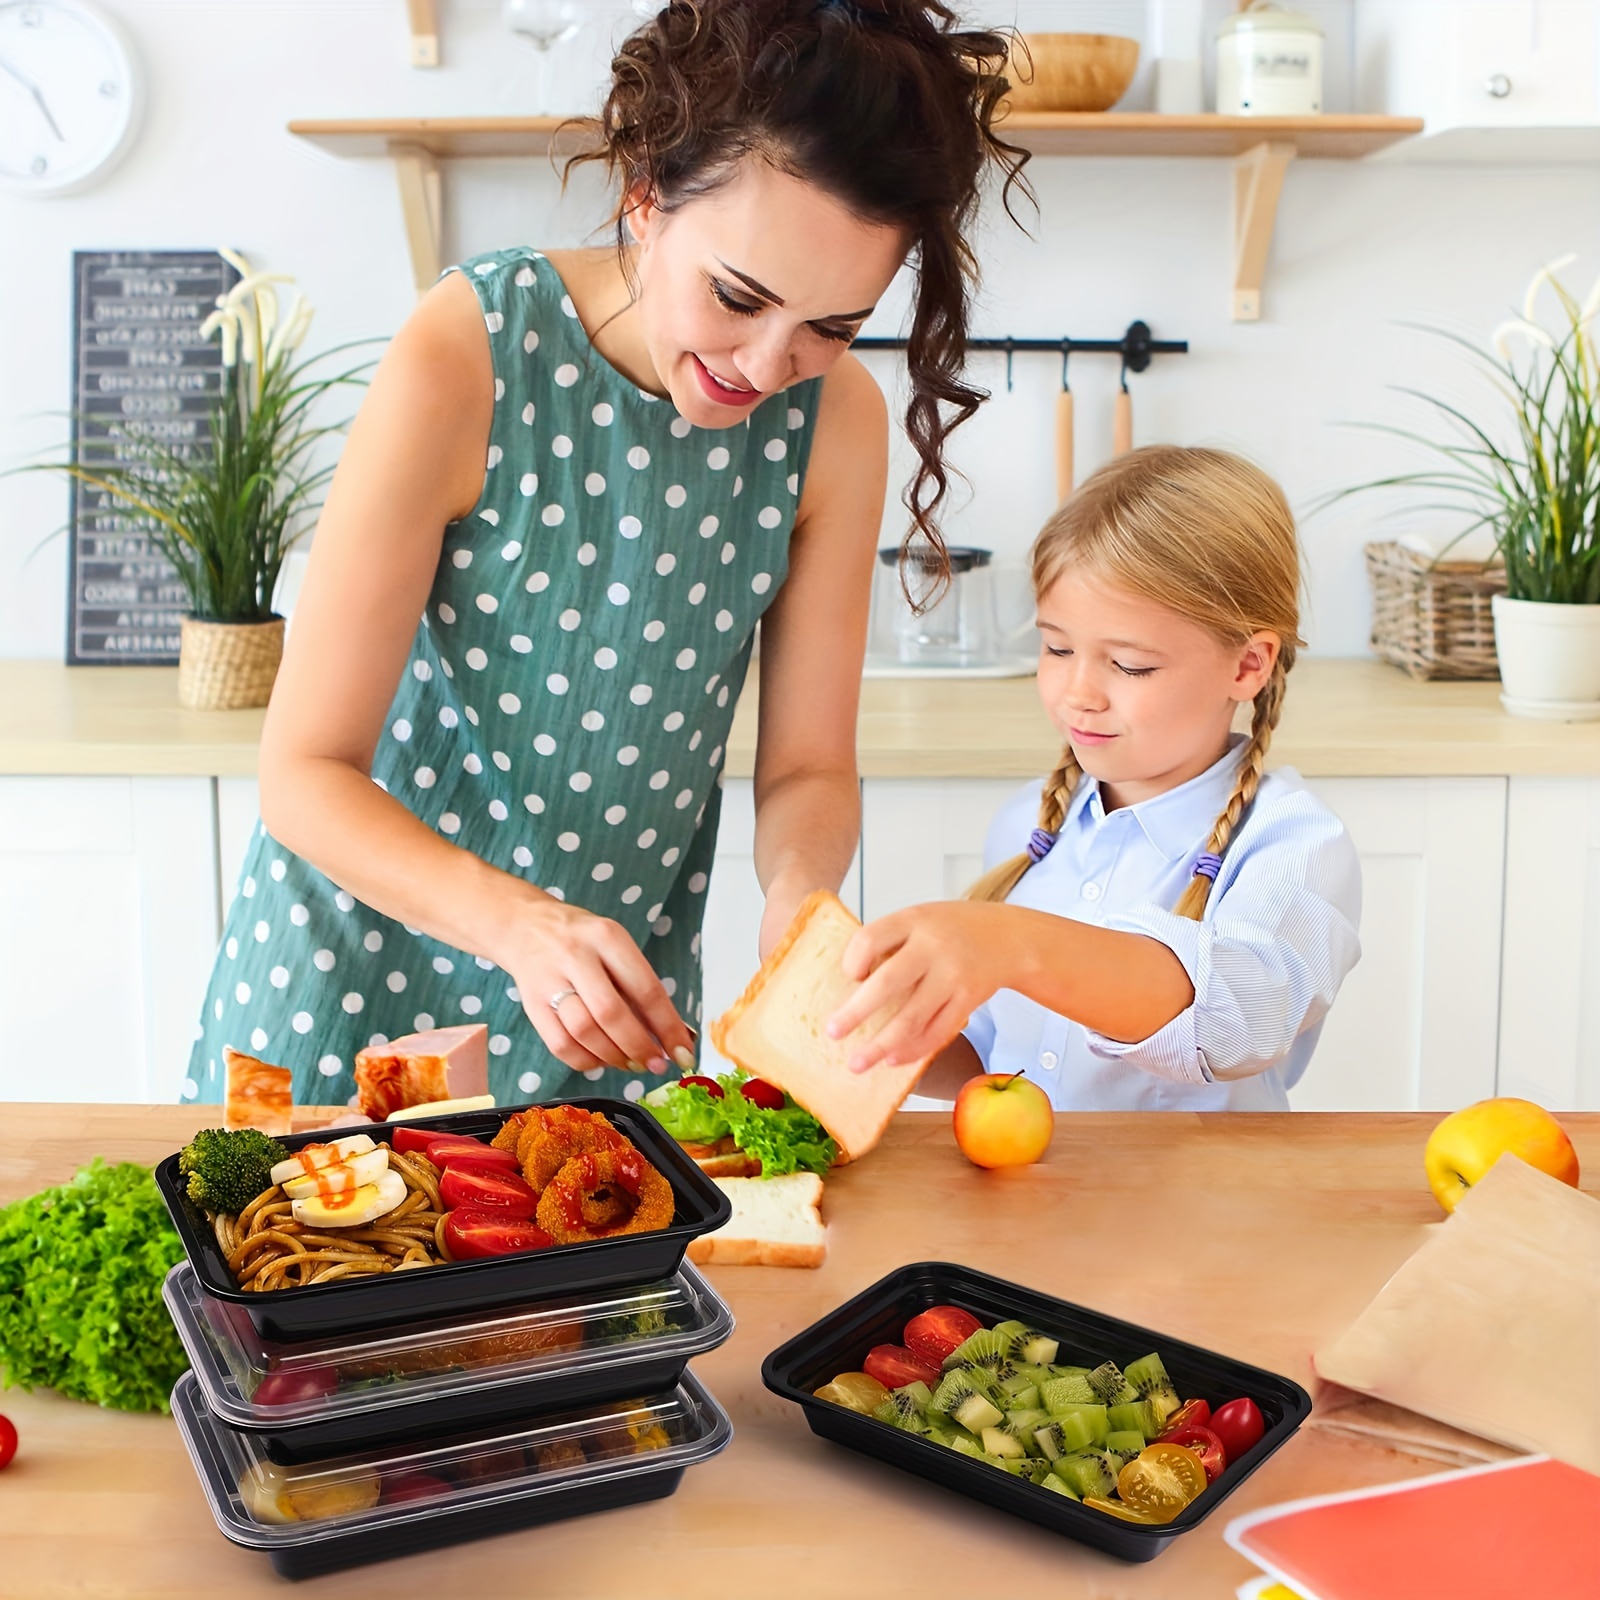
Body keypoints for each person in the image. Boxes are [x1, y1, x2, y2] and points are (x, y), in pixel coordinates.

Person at [183, 0, 1027, 1110]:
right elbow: (304, 774)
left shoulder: (835, 423)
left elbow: (807, 768)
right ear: (644, 200)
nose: (770, 362)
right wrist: (524, 929)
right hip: (347, 982)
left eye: (832, 324)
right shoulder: (470, 349)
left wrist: (798, 901)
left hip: (605, 1022)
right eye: (737, 296)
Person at [828, 446, 1362, 1111]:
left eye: (1130, 664)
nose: (1078, 693)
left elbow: (1239, 1022)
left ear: (1248, 665)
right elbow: (989, 1060)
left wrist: (1012, 944)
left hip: (1200, 1214)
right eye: (1056, 647)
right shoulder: (1028, 825)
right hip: (1028, 1203)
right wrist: (872, 1026)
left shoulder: (1295, 843)